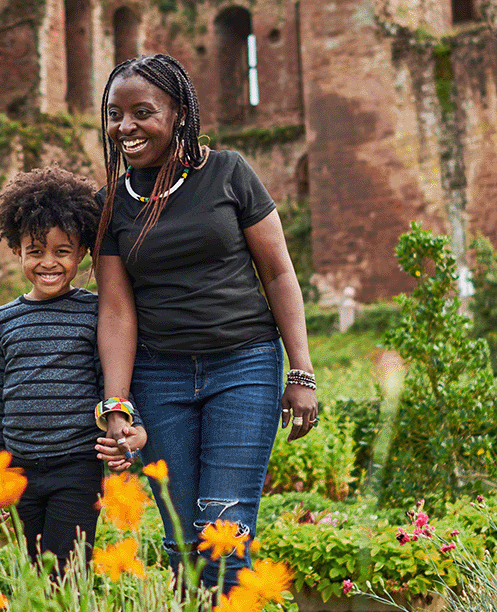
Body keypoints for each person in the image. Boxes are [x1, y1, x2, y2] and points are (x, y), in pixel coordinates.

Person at [91, 54, 319, 589]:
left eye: (142, 112)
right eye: (115, 113)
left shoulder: (229, 172)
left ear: (178, 114)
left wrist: (301, 373)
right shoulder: (111, 205)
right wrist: (117, 405)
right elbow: (117, 311)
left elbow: (279, 274)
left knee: (226, 532)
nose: (125, 126)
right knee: (182, 543)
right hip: (159, 376)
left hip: (243, 366)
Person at [0, 166, 147, 573]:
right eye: (35, 251)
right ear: (17, 251)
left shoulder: (94, 312)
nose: (48, 262)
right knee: (30, 572)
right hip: (19, 471)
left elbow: (112, 378)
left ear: (83, 252)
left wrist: (131, 427)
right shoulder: (5, 319)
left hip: (76, 466)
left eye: (62, 251)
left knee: (67, 570)